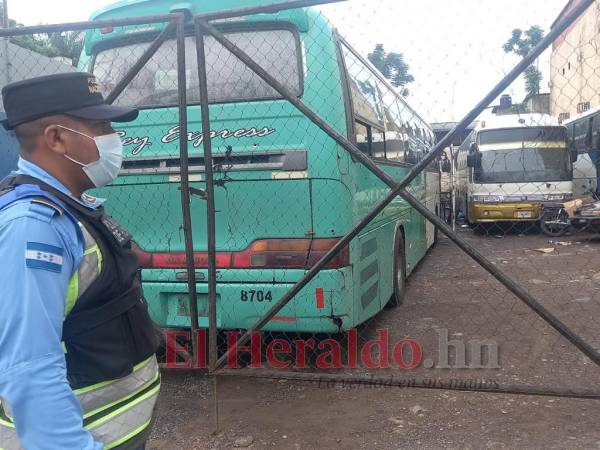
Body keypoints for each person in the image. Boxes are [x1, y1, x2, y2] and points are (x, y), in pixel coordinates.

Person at [0, 73, 161, 450]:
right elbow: (29, 369)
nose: (113, 139)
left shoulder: (71, 208)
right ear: (56, 138)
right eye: (101, 126)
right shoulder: (33, 228)